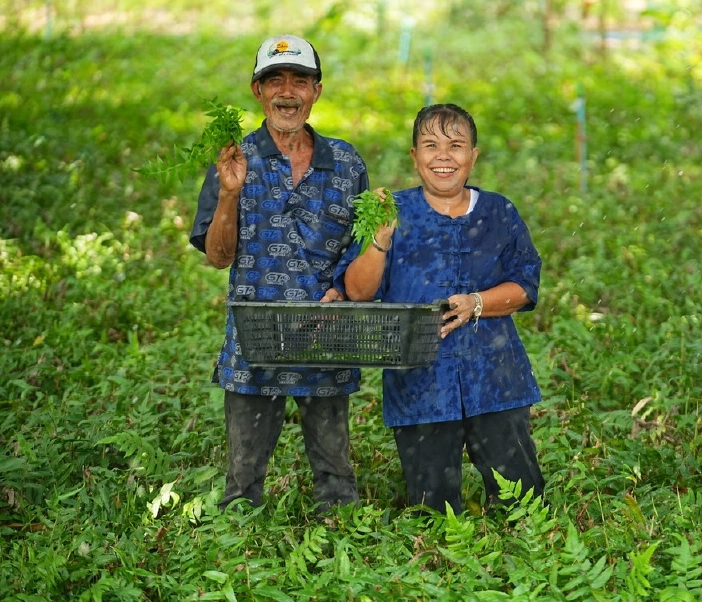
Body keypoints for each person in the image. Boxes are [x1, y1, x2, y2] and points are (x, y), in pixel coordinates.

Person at [335, 103, 546, 514]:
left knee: (522, 502)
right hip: (419, 382)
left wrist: (478, 303)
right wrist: (380, 239)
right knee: (433, 509)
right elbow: (357, 292)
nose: (444, 156)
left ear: (474, 155)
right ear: (414, 156)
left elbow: (525, 285)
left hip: (496, 378)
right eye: (430, 145)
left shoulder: (498, 212)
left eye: (456, 145)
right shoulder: (390, 210)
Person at [189, 34, 369, 513]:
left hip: (326, 336)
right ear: (257, 91)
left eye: (299, 81)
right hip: (255, 340)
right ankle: (240, 551)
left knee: (337, 483)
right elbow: (217, 256)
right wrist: (230, 193)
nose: (287, 92)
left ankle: (339, 556)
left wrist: (342, 290)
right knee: (241, 485)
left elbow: (362, 248)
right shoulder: (234, 159)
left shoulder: (347, 163)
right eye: (275, 80)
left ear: (317, 91)